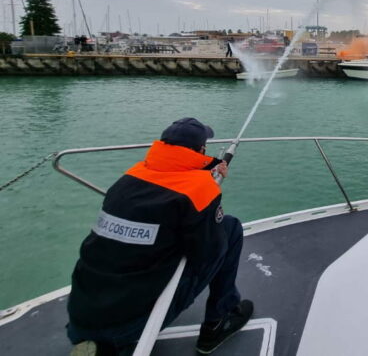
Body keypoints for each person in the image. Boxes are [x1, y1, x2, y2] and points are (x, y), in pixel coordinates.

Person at [67, 118, 253, 355]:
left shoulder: (129, 178)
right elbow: (209, 255)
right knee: (230, 228)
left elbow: (166, 191)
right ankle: (219, 321)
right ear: (201, 150)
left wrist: (204, 173)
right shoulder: (199, 189)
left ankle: (99, 341)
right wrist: (209, 195)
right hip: (129, 323)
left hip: (82, 315)